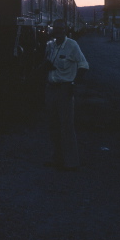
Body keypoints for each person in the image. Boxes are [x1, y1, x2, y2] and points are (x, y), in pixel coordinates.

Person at [43, 19, 89, 170]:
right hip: (51, 88)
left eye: (61, 29)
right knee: (53, 125)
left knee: (67, 126)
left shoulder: (72, 45)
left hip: (64, 89)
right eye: (56, 29)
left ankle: (71, 162)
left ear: (66, 30)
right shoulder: (50, 46)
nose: (59, 31)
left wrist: (73, 84)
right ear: (53, 30)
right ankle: (55, 158)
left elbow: (84, 66)